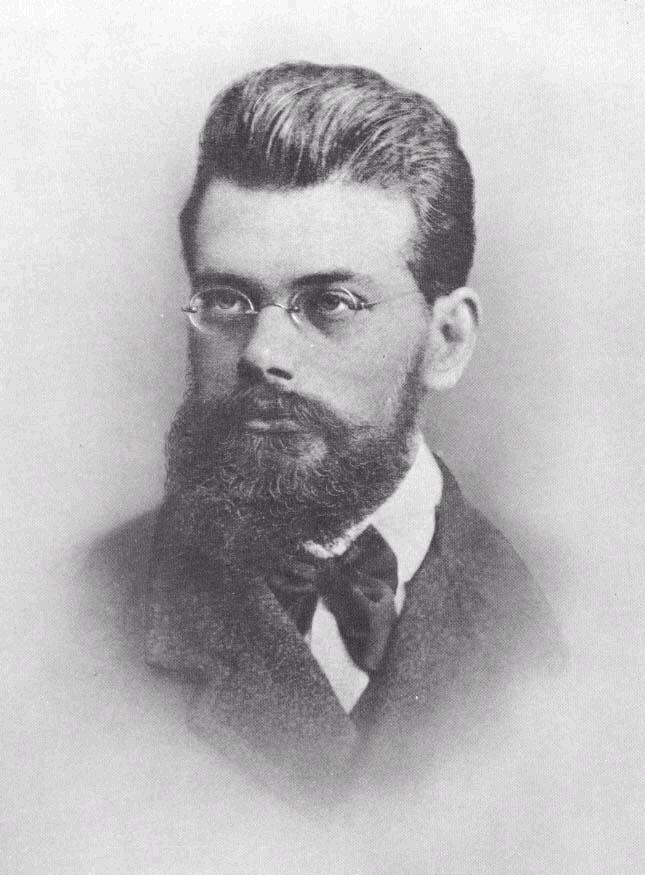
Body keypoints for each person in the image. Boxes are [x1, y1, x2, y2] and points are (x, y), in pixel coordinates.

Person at [144, 61, 564, 803]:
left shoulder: (559, 635)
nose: (262, 354)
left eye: (330, 303)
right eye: (227, 300)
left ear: (446, 340)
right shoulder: (77, 611)